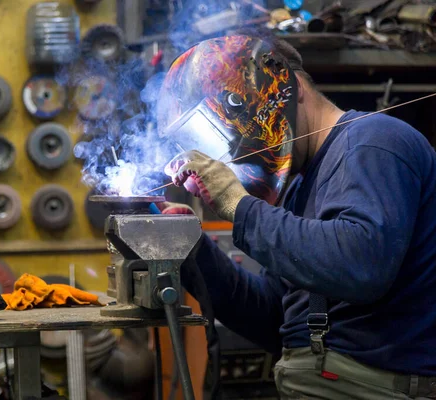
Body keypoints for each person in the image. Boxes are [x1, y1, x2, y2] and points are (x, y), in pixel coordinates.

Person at [155, 34, 436, 399]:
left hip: (372, 387)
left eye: (237, 120)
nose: (235, 144)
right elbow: (275, 318)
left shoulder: (372, 141)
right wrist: (195, 249)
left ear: (287, 85)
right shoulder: (301, 187)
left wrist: (236, 204)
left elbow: (361, 265)